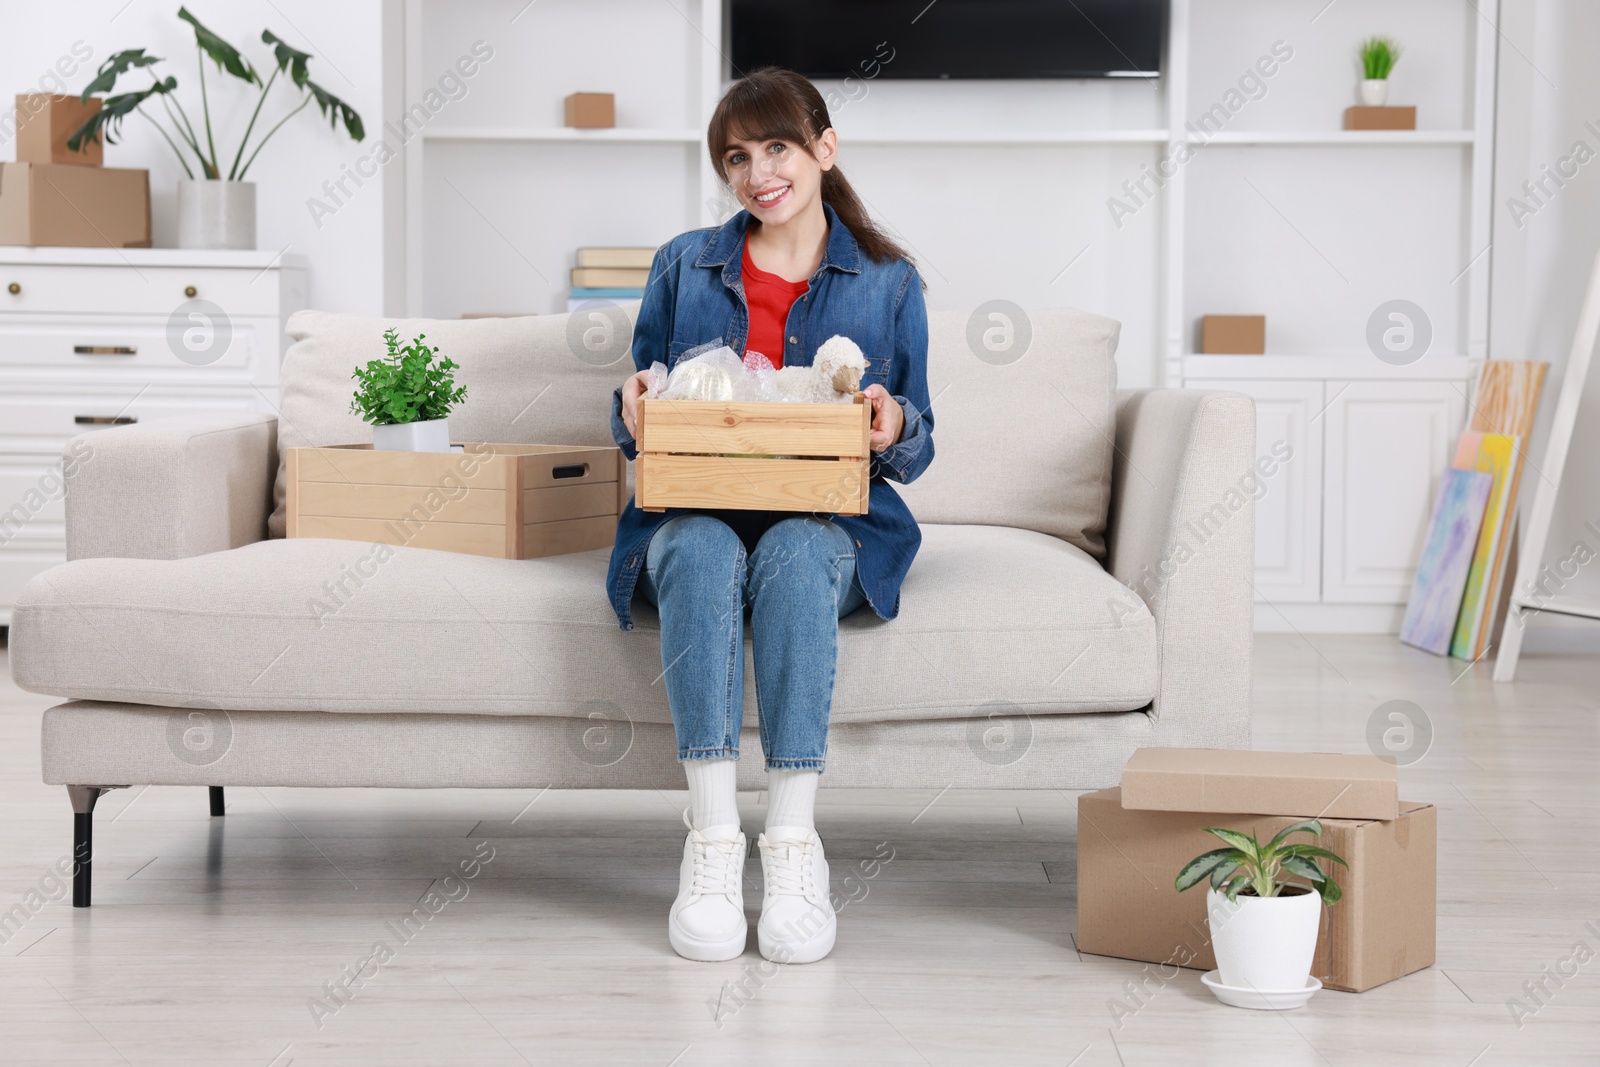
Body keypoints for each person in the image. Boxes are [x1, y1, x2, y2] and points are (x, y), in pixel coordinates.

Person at [606, 67, 935, 964]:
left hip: (829, 521)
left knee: (794, 549)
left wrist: (891, 420)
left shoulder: (888, 282)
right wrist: (633, 402)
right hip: (699, 506)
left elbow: (918, 435)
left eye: (777, 147)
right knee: (704, 550)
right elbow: (639, 408)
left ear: (825, 149)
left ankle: (792, 845)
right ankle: (712, 842)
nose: (758, 173)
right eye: (737, 157)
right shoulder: (685, 262)